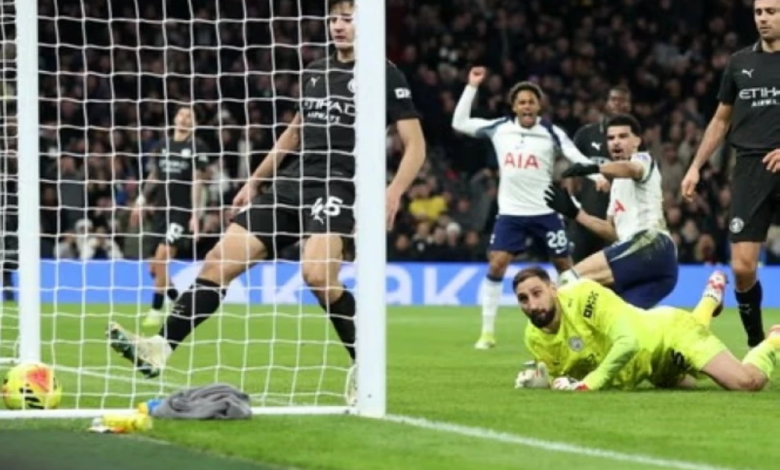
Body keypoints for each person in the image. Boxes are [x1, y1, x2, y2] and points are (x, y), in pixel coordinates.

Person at [108, 0, 426, 392]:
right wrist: (255, 181)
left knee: (317, 276)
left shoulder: (383, 73)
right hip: (293, 181)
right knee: (217, 261)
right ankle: (159, 347)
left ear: (366, 24)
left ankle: (366, 364)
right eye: (332, 19)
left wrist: (393, 192)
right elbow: (294, 133)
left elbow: (415, 145)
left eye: (347, 19)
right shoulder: (316, 71)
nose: (337, 26)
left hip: (339, 184)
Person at [451, 66, 608, 350]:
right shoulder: (500, 128)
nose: (526, 106)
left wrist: (596, 175)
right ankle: (487, 333)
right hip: (511, 214)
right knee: (497, 264)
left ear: (538, 106)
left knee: (565, 266)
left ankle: (576, 325)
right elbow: (459, 122)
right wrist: (471, 86)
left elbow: (574, 154)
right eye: (521, 102)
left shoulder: (551, 132)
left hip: (546, 211)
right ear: (514, 106)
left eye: (531, 102)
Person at [682, 0, 780, 347]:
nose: (763, 18)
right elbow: (721, 120)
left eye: (771, 11)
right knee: (742, 267)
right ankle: (756, 343)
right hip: (750, 168)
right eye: (758, 12)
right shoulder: (740, 62)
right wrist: (695, 166)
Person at [513, 266, 780, 392]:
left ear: (553, 289)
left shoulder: (584, 295)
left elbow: (628, 342)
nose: (532, 305)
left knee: (746, 383)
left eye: (537, 293)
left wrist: (589, 384)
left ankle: (773, 342)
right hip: (651, 369)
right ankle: (711, 297)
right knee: (692, 382)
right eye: (523, 299)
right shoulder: (533, 337)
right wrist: (544, 382)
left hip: (670, 333)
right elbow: (565, 378)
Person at [545, 114, 678, 309]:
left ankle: (547, 328)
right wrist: (576, 213)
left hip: (651, 243)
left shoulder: (642, 159)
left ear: (637, 141)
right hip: (660, 265)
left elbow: (632, 169)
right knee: (620, 318)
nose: (616, 142)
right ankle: (710, 299)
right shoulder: (616, 184)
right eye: (611, 138)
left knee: (568, 281)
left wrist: (594, 167)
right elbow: (613, 232)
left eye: (623, 136)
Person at [130, 106, 209, 329]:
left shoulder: (197, 147)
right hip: (160, 211)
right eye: (181, 115)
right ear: (174, 118)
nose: (184, 119)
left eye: (189, 116)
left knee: (163, 257)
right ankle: (179, 302)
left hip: (181, 212)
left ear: (194, 123)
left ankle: (156, 309)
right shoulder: (162, 145)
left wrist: (195, 215)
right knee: (155, 268)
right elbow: (154, 175)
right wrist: (141, 199)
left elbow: (197, 182)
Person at [569, 85, 632, 263]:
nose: (618, 104)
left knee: (611, 273)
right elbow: (571, 170)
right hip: (585, 217)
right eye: (614, 99)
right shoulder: (586, 134)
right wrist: (571, 201)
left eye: (622, 100)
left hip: (616, 221)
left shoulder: (635, 141)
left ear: (629, 106)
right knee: (575, 269)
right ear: (606, 103)